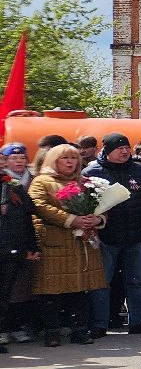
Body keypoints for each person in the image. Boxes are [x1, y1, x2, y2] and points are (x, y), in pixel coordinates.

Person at [27, 144, 107, 346]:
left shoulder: (85, 182)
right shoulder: (41, 182)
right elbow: (40, 207)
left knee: (80, 290)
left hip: (82, 245)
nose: (70, 162)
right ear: (53, 161)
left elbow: (101, 206)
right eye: (65, 158)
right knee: (52, 290)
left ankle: (79, 329)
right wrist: (71, 219)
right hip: (53, 243)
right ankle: (52, 332)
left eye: (74, 158)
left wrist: (97, 220)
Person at [84, 132, 141, 334]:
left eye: (127, 147)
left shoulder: (140, 171)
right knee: (102, 282)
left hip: (136, 236)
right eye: (119, 148)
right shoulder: (93, 172)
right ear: (107, 150)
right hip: (105, 237)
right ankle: (99, 324)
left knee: (137, 281)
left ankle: (138, 322)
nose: (125, 151)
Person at [0, 142, 41, 351]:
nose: (18, 161)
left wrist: (32, 246)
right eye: (12, 158)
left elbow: (29, 215)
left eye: (21, 158)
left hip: (17, 242)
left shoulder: (17, 185)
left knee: (15, 288)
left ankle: (16, 326)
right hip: (4, 242)